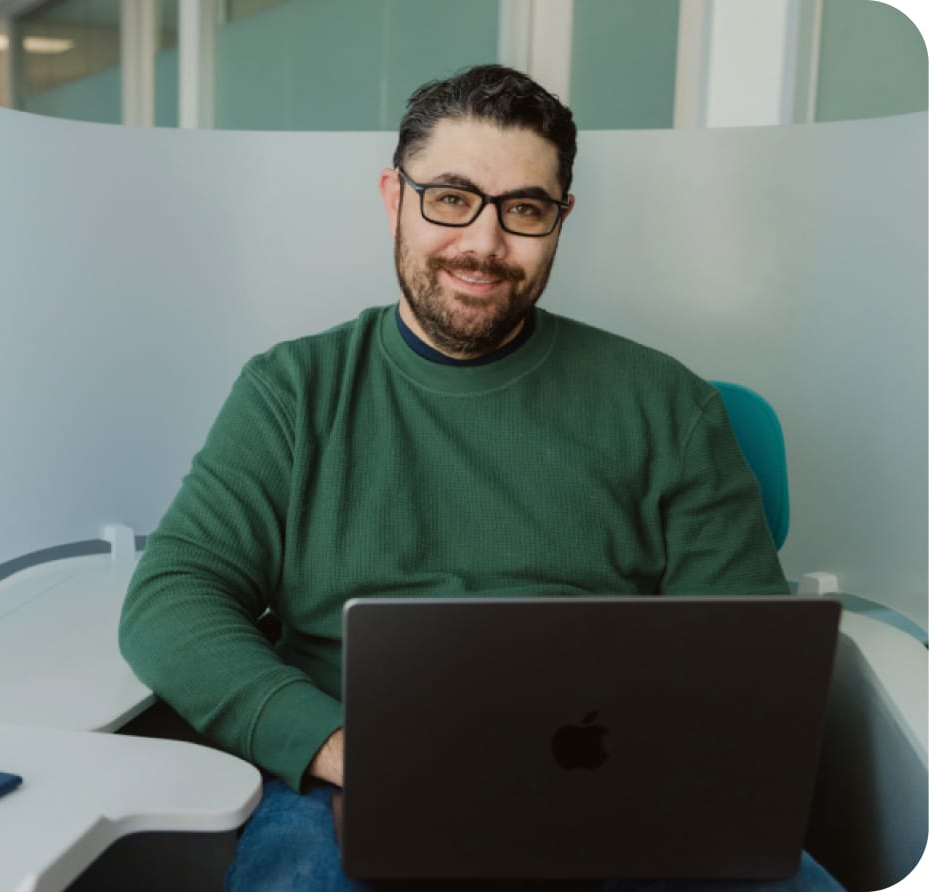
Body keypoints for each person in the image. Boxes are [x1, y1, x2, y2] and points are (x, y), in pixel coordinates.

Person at [118, 64, 840, 891]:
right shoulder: (293, 391)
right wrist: (337, 748)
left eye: (523, 210)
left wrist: (645, 777)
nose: (484, 244)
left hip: (618, 782)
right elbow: (172, 597)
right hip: (354, 779)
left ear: (561, 219)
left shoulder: (669, 405)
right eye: (451, 198)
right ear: (394, 197)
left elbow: (742, 657)